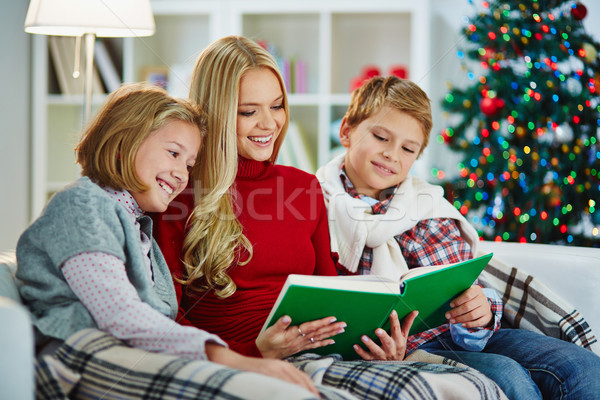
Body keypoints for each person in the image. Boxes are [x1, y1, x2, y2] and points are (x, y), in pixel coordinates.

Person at [153, 35, 508, 400]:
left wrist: (376, 345)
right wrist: (254, 352)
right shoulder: (178, 196)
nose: (269, 123)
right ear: (215, 112)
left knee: (477, 385)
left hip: (327, 353)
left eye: (276, 106)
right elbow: (167, 323)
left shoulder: (303, 188)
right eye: (248, 111)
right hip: (252, 361)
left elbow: (334, 295)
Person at [15, 82, 340, 400]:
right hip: (81, 354)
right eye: (173, 153)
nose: (183, 174)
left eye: (189, 164)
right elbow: (121, 316)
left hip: (135, 354)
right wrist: (238, 361)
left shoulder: (137, 223)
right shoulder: (82, 204)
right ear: (121, 145)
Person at [315, 75, 600, 400]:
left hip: (462, 335)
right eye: (381, 137)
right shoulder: (315, 203)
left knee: (583, 367)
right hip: (408, 347)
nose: (392, 155)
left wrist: (482, 311)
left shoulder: (426, 205)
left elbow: (469, 283)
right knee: (510, 379)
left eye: (408, 148)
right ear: (346, 131)